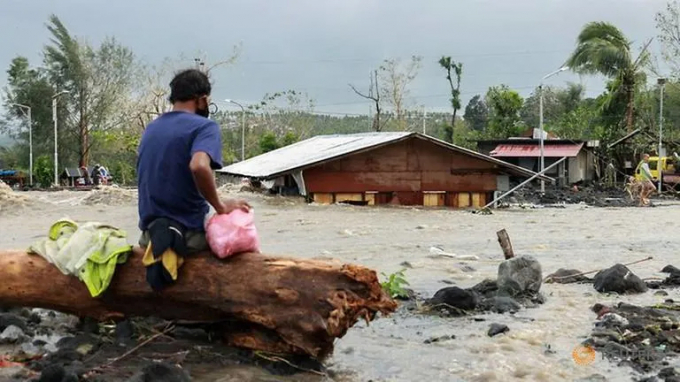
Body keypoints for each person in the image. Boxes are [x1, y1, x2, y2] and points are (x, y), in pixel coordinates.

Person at [137, 68, 250, 256]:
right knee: (241, 239)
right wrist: (220, 206)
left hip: (150, 237)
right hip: (188, 237)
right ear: (202, 99)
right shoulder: (205, 127)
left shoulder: (152, 128)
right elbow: (198, 166)